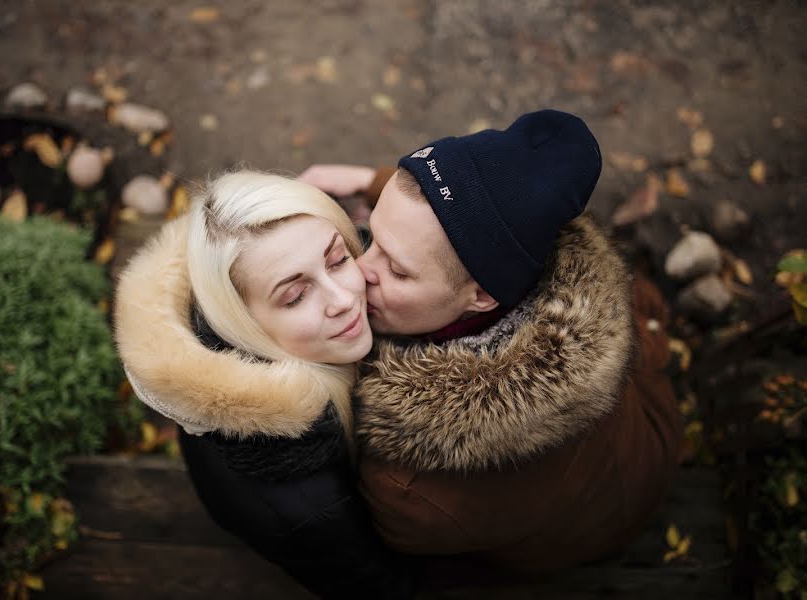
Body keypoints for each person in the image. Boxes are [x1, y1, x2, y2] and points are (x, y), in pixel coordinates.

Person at [299, 109, 684, 579]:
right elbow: (457, 217)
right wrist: (373, 180)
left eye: (397, 270)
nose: (360, 270)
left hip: (588, 532)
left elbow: (395, 556)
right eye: (372, 235)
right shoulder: (564, 271)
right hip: (648, 440)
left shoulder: (413, 483)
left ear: (481, 297)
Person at [113, 171, 412, 598]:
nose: (343, 298)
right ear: (243, 327)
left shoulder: (223, 320)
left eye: (338, 259)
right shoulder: (307, 503)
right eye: (295, 297)